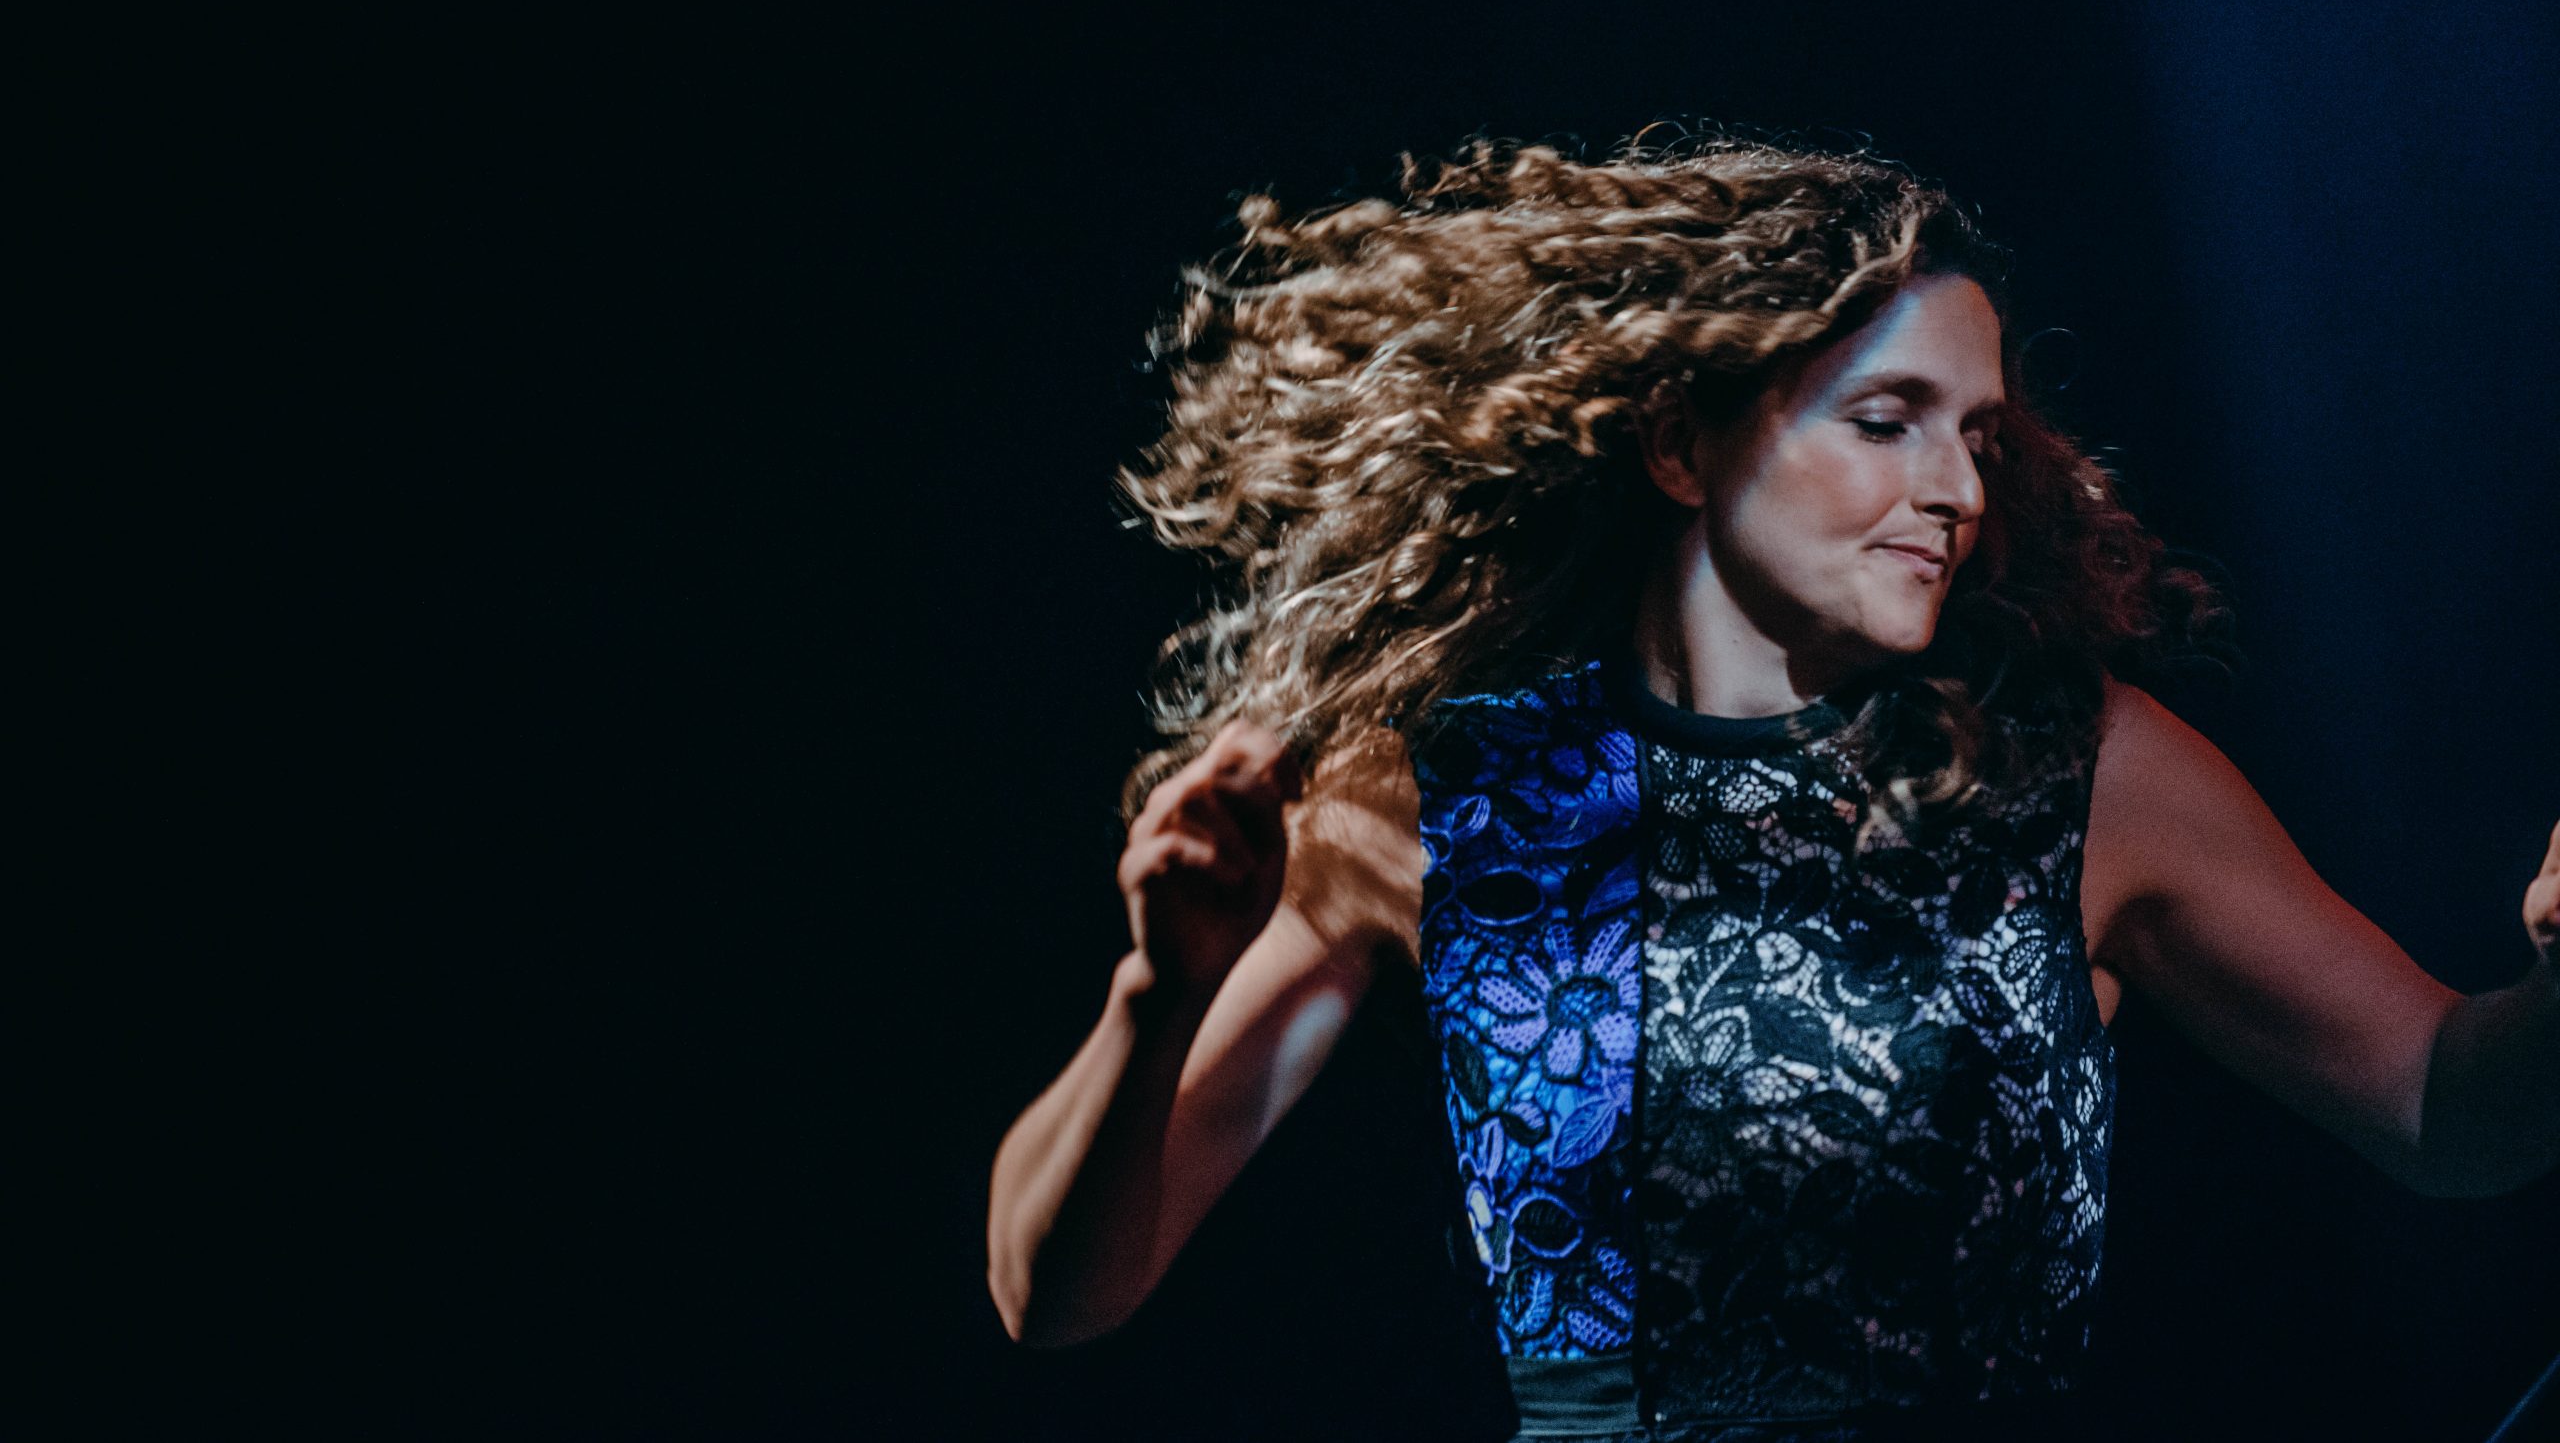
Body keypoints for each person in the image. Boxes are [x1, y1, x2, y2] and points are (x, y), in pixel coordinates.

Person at [984, 137, 2560, 1440]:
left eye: (1979, 435)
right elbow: (1055, 1295)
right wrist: (1155, 992)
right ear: (1683, 443)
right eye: (1886, 422)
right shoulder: (1430, 802)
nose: (1953, 486)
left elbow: (2446, 1106)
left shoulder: (2080, 769)